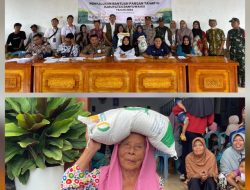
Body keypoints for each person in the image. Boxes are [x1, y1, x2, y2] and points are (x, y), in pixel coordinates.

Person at [61, 133, 164, 189]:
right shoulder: (100, 177)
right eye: (126, 145)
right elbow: (68, 186)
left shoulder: (155, 181)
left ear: (146, 153)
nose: (132, 151)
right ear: (117, 149)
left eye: (139, 147)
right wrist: (91, 148)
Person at [172, 98, 214, 181]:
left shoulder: (189, 100)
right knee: (197, 155)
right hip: (198, 133)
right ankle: (194, 174)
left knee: (186, 153)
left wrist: (184, 109)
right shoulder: (208, 103)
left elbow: (175, 110)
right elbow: (210, 122)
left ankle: (184, 173)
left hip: (186, 131)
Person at [226, 18, 245, 87]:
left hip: (242, 52)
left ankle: (243, 81)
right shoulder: (230, 31)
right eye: (231, 23)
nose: (232, 24)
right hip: (233, 52)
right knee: (234, 67)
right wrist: (227, 50)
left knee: (242, 67)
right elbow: (228, 41)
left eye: (234, 22)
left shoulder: (243, 31)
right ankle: (236, 81)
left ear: (238, 23)